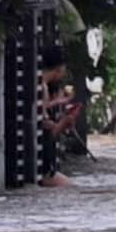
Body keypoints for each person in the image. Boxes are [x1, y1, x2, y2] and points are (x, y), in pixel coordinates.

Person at [37, 44, 83, 188]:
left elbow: (42, 116)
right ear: (59, 68)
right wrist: (65, 121)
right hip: (43, 165)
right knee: (72, 188)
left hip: (42, 162)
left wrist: (59, 102)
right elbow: (47, 130)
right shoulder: (42, 87)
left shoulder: (40, 84)